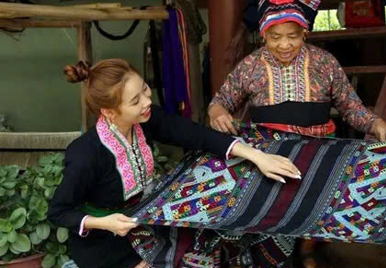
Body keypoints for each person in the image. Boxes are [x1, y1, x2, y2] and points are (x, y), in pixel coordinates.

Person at [48, 59, 301, 268]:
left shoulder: (146, 119)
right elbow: (59, 212)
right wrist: (106, 222)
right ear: (109, 111)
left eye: (145, 89)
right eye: (135, 101)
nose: (147, 101)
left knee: (234, 227)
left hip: (146, 221)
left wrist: (257, 156)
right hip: (106, 243)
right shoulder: (85, 154)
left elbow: (196, 135)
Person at [208, 0, 386, 141]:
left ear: (304, 33)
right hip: (267, 157)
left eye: (292, 36)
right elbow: (220, 102)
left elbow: (351, 107)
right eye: (275, 37)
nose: (284, 45)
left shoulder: (324, 62)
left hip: (319, 152)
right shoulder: (250, 65)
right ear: (264, 35)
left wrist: (375, 123)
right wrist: (217, 113)